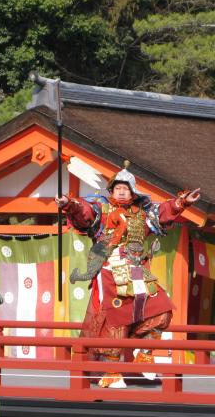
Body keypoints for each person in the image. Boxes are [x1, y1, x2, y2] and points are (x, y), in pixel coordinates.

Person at [55, 161, 200, 388]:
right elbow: (84, 212)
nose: (122, 191)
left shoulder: (143, 212)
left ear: (133, 193)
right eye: (118, 188)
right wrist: (69, 204)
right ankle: (111, 370)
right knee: (116, 316)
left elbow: (163, 211)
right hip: (110, 270)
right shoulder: (101, 210)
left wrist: (181, 203)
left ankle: (145, 353)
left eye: (126, 188)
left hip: (137, 270)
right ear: (111, 190)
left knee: (161, 308)